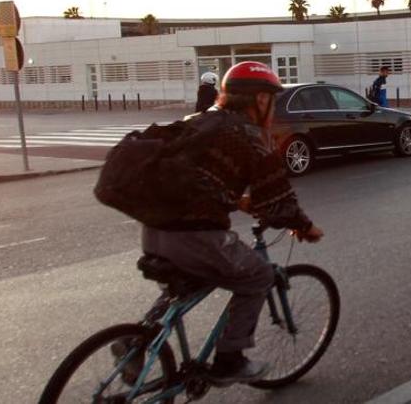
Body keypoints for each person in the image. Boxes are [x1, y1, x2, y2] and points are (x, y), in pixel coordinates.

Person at [137, 61, 322, 385]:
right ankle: (229, 360)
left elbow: (197, 179)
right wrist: (304, 227)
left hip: (153, 230)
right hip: (193, 237)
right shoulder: (248, 135)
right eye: (271, 100)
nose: (272, 108)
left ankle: (136, 341)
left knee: (188, 282)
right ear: (260, 100)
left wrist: (239, 201)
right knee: (258, 276)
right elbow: (279, 199)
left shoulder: (199, 121)